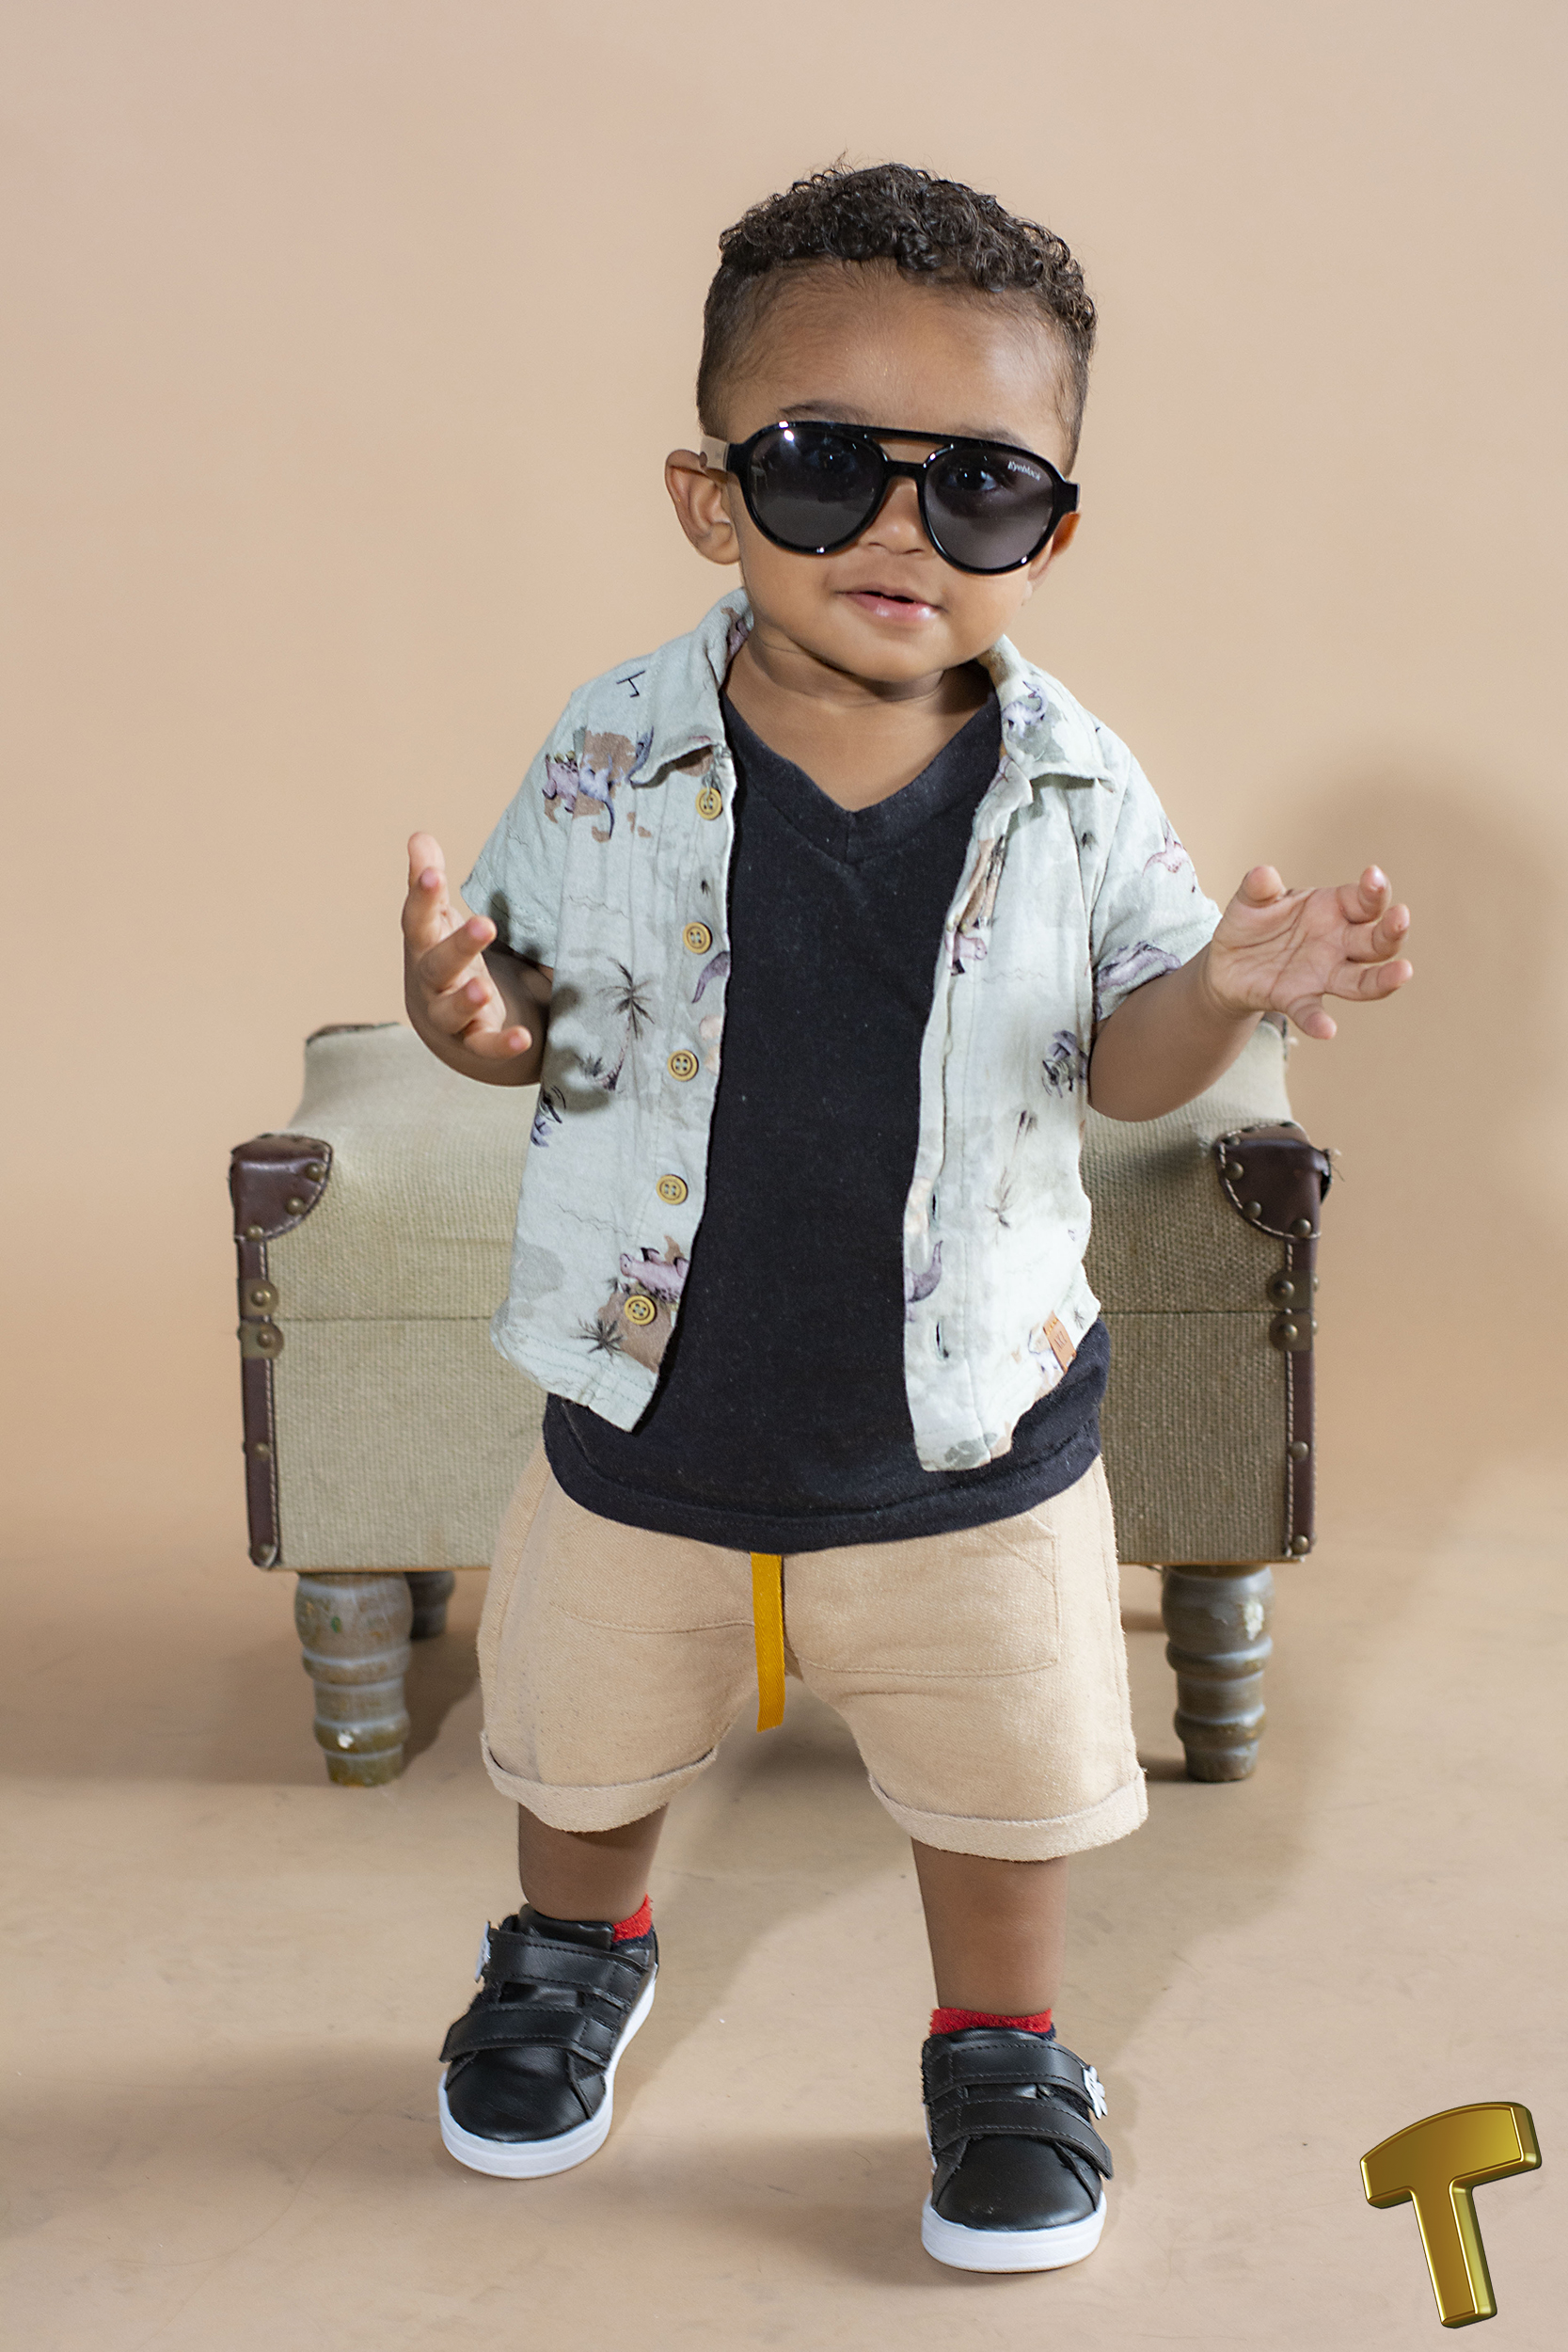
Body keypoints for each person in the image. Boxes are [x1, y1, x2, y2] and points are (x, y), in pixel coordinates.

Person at [400, 164, 1412, 2274]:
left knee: (1007, 1778)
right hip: (650, 1406)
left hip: (972, 1435)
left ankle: (1004, 2045)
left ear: (1051, 530)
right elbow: (529, 1015)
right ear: (708, 496)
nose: (898, 528)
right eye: (822, 464)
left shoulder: (1079, 783)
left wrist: (1227, 991)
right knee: (582, 1739)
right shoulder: (608, 750)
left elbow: (1122, 1063)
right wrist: (466, 1015)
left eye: (979, 487)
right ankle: (574, 1954)